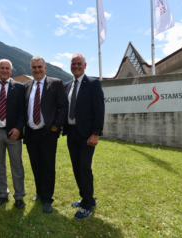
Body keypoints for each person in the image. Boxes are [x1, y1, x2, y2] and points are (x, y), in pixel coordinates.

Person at [23, 56, 68, 213]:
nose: (37, 70)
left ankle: (47, 199)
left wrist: (56, 125)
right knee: (36, 165)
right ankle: (40, 192)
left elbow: (63, 107)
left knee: (47, 166)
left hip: (48, 132)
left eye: (39, 67)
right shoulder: (26, 85)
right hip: (31, 132)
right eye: (34, 67)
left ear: (45, 68)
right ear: (31, 69)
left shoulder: (55, 84)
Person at [62, 53, 105, 219]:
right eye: (73, 64)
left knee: (84, 167)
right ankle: (86, 198)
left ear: (85, 66)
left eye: (79, 63)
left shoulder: (93, 83)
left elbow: (99, 109)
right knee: (76, 167)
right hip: (71, 133)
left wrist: (96, 133)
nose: (76, 66)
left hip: (87, 135)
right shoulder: (67, 85)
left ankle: (87, 205)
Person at [0, 59, 26, 209]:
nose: (4, 70)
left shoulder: (20, 87)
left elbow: (23, 111)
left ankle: (19, 196)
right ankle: (2, 194)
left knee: (17, 165)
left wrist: (18, 128)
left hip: (13, 133)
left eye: (7, 68)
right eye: (1, 68)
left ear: (11, 70)